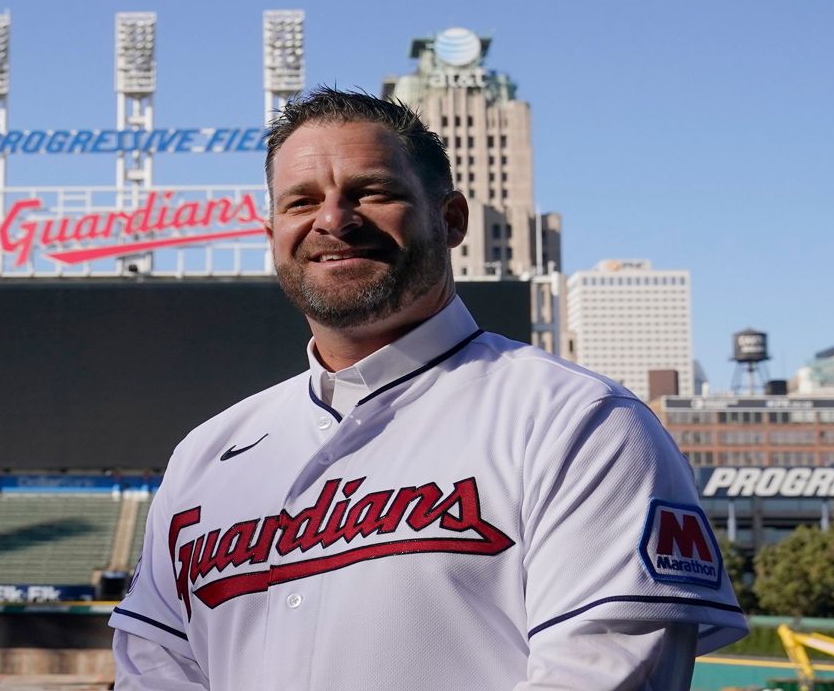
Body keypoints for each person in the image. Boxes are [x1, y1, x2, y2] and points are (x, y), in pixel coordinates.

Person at [109, 87, 747, 690]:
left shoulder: (578, 422)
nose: (334, 219)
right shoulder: (205, 453)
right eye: (301, 202)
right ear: (272, 235)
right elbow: (153, 666)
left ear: (452, 219)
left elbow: (600, 672)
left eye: (372, 192)